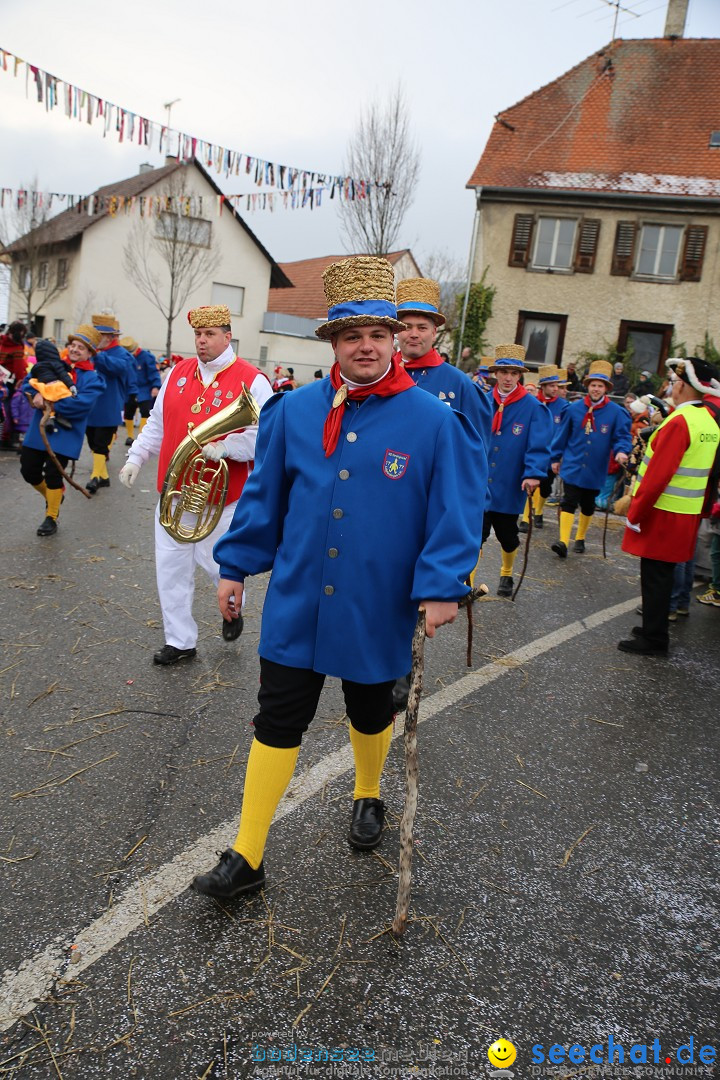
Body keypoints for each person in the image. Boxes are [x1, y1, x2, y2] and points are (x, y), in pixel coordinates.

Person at [192, 256, 486, 900]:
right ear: (332, 342)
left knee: (368, 705)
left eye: (378, 335)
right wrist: (234, 565)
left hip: (375, 602)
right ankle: (248, 854)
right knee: (277, 717)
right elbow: (264, 498)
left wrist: (442, 584)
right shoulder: (294, 412)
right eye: (352, 335)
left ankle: (368, 794)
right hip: (299, 597)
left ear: (393, 341)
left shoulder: (434, 420)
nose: (367, 346)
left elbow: (456, 511)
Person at [119, 304, 273, 666]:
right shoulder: (177, 374)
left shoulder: (253, 380)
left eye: (209, 335)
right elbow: (157, 424)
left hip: (224, 498)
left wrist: (227, 448)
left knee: (219, 567)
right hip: (174, 496)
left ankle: (232, 611)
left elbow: (264, 436)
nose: (201, 342)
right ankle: (180, 640)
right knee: (170, 570)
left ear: (227, 335)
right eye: (197, 335)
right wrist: (135, 458)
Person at [618, 356, 720, 655]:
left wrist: (635, 512)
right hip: (685, 511)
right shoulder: (707, 420)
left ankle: (653, 638)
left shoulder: (680, 421)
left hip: (664, 510)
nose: (671, 387)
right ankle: (653, 629)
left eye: (675, 382)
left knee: (655, 577)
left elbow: (658, 475)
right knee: (662, 575)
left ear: (685, 387)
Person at [19, 325, 106, 536]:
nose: (75, 350)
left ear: (89, 353)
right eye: (73, 345)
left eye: (81, 348)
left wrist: (50, 401)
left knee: (53, 475)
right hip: (38, 431)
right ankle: (53, 497)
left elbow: (82, 404)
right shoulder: (51, 364)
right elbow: (27, 384)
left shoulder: (92, 379)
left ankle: (51, 516)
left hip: (67, 434)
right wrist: (35, 395)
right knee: (28, 470)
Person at [482, 343, 552, 596]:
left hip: (509, 482)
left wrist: (533, 473)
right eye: (503, 372)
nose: (508, 377)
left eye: (513, 373)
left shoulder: (533, 408)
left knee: (507, 535)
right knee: (473, 534)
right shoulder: (482, 401)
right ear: (496, 374)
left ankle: (506, 573)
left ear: (520, 375)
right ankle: (466, 584)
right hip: (480, 481)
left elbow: (539, 444)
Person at [395, 277, 492, 447]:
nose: (414, 334)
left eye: (422, 327)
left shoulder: (460, 384)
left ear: (434, 332)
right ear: (397, 331)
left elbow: (475, 448)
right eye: (407, 326)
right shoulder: (378, 375)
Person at [550, 360, 631, 557]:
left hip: (595, 467)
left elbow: (622, 437)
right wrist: (555, 457)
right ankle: (563, 541)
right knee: (568, 501)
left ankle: (580, 537)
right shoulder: (573, 409)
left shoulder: (615, 413)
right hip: (572, 464)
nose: (596, 389)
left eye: (600, 386)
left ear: (606, 389)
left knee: (587, 504)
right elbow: (562, 435)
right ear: (587, 386)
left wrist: (621, 451)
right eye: (593, 385)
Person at [84, 314, 137, 493]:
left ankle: (95, 477)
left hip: (108, 405)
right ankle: (104, 477)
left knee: (100, 443)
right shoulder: (93, 353)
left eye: (99, 334)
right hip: (90, 404)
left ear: (110, 337)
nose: (96, 338)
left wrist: (97, 356)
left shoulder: (122, 354)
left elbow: (118, 368)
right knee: (92, 442)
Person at [519, 365, 569, 531]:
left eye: (557, 386)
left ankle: (539, 511)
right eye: (552, 386)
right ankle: (526, 518)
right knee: (530, 486)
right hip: (532, 452)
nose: (556, 389)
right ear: (543, 386)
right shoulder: (533, 403)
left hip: (551, 455)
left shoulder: (563, 407)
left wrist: (560, 456)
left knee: (545, 487)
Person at [119, 336, 162, 446]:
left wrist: (155, 386)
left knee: (145, 412)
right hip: (129, 389)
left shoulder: (146, 357)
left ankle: (141, 438)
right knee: (128, 412)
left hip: (144, 389)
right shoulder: (123, 357)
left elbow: (153, 373)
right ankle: (130, 436)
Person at [27, 339, 77, 432]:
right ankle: (61, 416)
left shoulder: (36, 366)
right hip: (56, 386)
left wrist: (36, 392)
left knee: (47, 403)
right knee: (64, 395)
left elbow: (32, 378)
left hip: (44, 388)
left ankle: (50, 418)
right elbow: (63, 374)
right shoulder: (56, 363)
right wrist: (71, 385)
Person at [0, 321, 28, 449]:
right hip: (10, 383)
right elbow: (18, 367)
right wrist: (21, 380)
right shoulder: (17, 347)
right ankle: (6, 439)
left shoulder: (1, 341)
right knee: (9, 409)